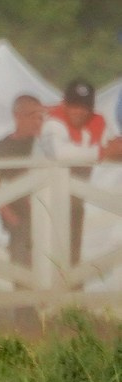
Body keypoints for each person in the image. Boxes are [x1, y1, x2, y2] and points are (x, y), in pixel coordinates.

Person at [35, 79, 121, 267]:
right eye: (74, 105)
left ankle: (71, 291)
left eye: (84, 106)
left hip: (75, 199)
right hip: (42, 201)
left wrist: (115, 149)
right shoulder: (52, 123)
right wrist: (102, 152)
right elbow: (60, 154)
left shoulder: (97, 121)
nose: (79, 111)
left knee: (72, 252)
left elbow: (113, 146)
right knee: (45, 255)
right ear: (65, 103)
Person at [0, 94, 45, 276]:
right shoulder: (2, 147)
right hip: (19, 219)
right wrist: (12, 219)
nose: (38, 121)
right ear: (18, 116)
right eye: (33, 115)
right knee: (22, 275)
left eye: (40, 116)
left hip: (46, 218)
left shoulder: (46, 144)